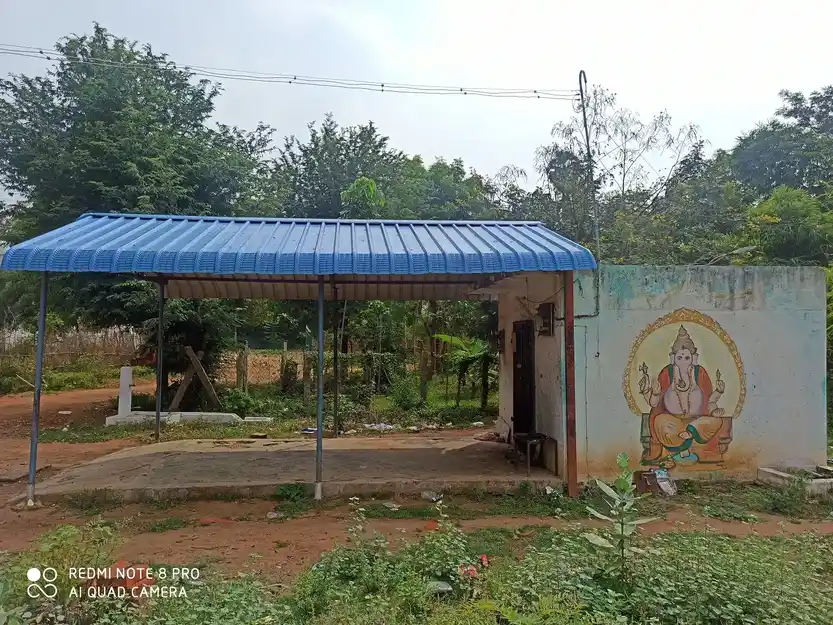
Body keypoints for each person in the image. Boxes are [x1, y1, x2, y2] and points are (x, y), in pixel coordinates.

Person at [638, 325, 729, 467]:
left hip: (697, 422)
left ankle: (691, 432)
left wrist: (717, 402)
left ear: (694, 358)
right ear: (673, 358)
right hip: (673, 422)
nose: (683, 361)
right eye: (679, 357)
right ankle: (685, 436)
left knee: (717, 421)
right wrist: (651, 391)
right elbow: (655, 404)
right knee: (659, 421)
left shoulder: (700, 374)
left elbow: (709, 402)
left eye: (687, 357)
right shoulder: (667, 373)